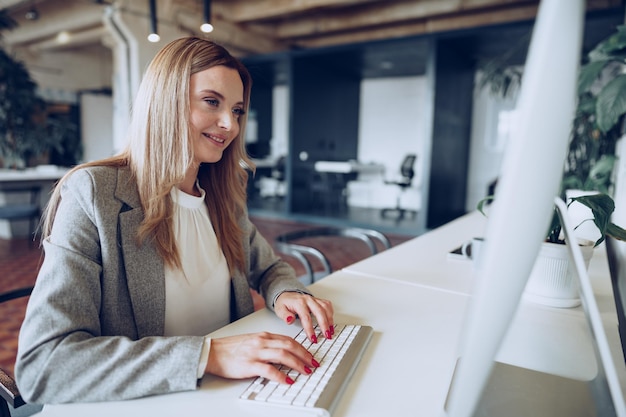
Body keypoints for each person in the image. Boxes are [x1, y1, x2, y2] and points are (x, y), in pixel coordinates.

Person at [15, 37, 334, 404]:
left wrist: (287, 292)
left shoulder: (222, 193)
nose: (229, 124)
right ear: (165, 101)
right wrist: (208, 355)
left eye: (238, 110)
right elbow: (45, 365)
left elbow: (268, 267)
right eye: (211, 102)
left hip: (232, 395)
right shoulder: (93, 193)